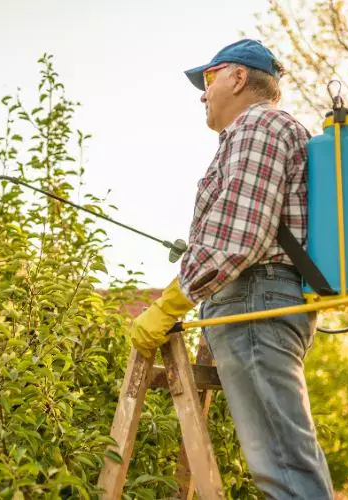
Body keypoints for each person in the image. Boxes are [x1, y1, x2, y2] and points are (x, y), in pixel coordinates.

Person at [129, 39, 335, 499]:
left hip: (254, 301)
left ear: (238, 78)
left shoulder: (258, 124)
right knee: (285, 460)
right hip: (257, 300)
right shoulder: (258, 133)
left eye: (208, 78)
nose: (203, 94)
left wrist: (170, 303)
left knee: (284, 468)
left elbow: (240, 238)